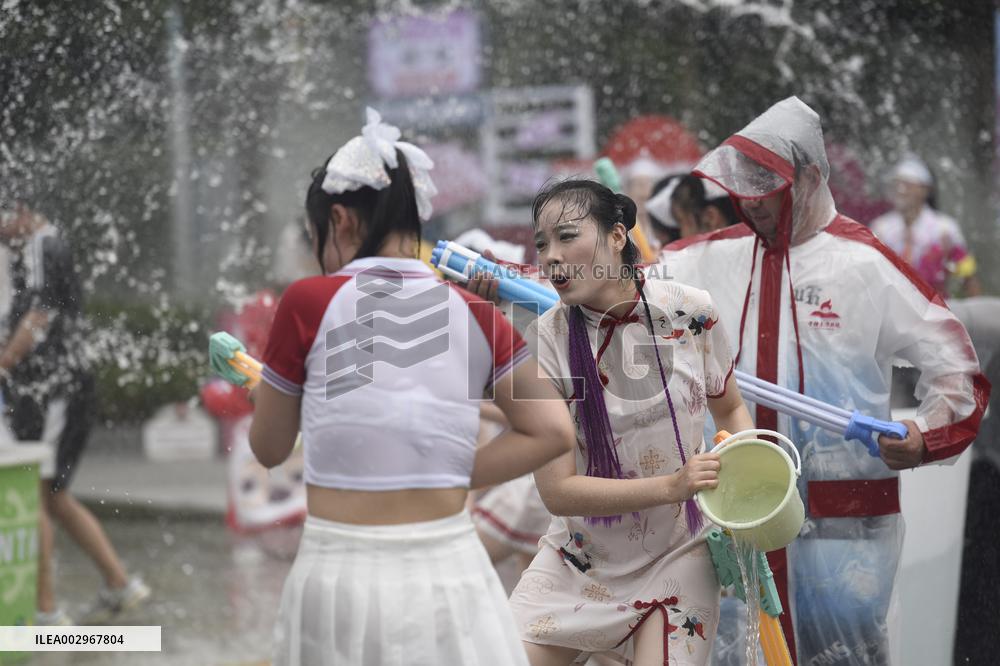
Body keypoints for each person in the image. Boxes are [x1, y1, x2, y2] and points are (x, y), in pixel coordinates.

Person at [660, 97, 990, 665]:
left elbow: (958, 372)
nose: (756, 210)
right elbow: (610, 289)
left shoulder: (866, 264)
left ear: (810, 179)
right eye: (748, 196)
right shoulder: (706, 259)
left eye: (771, 195)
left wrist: (920, 436)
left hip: (845, 531)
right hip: (735, 523)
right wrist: (513, 280)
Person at [246, 108, 575, 666]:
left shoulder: (307, 301)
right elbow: (552, 430)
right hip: (451, 572)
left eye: (316, 236)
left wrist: (269, 396)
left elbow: (269, 448)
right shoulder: (473, 311)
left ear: (342, 220)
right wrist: (449, 471)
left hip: (338, 574)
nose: (319, 252)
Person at [469, 179, 755, 666]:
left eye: (566, 236)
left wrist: (747, 484)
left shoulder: (690, 311)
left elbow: (727, 407)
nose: (551, 257)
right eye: (542, 245)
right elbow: (557, 492)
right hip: (581, 559)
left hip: (679, 552)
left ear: (618, 236)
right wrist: (672, 484)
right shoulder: (542, 339)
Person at [0, 201, 150, 625]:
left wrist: (3, 366)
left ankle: (46, 612)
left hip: (55, 391)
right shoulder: (34, 249)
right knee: (53, 497)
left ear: (21, 211)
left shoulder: (41, 245)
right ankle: (120, 584)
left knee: (34, 495)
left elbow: (39, 314)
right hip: (56, 388)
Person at [869, 155, 982, 299]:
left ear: (925, 190)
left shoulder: (944, 230)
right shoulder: (880, 228)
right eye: (896, 184)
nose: (900, 190)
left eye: (908, 185)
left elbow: (968, 277)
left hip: (936, 310)